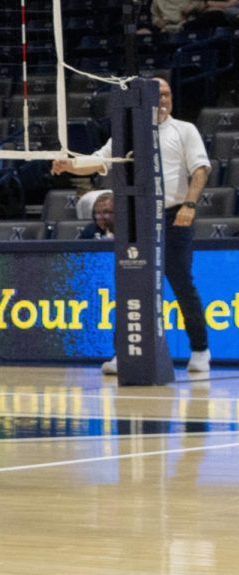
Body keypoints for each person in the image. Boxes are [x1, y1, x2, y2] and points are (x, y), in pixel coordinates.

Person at [53, 76, 211, 374]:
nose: (163, 99)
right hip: (138, 218)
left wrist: (189, 205)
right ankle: (123, 353)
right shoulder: (129, 135)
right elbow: (99, 160)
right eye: (158, 95)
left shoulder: (184, 130)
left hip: (174, 215)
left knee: (181, 283)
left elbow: (201, 169)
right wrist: (70, 165)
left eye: (167, 94)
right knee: (131, 286)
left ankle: (200, 349)